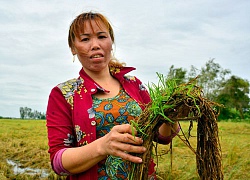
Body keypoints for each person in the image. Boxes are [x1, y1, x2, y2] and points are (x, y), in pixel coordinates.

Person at [46, 11, 180, 180]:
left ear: (111, 42)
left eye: (101, 36)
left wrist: (171, 114)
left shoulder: (134, 84)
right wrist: (103, 146)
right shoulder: (64, 94)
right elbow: (59, 163)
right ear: (73, 48)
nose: (95, 45)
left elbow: (162, 136)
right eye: (85, 39)